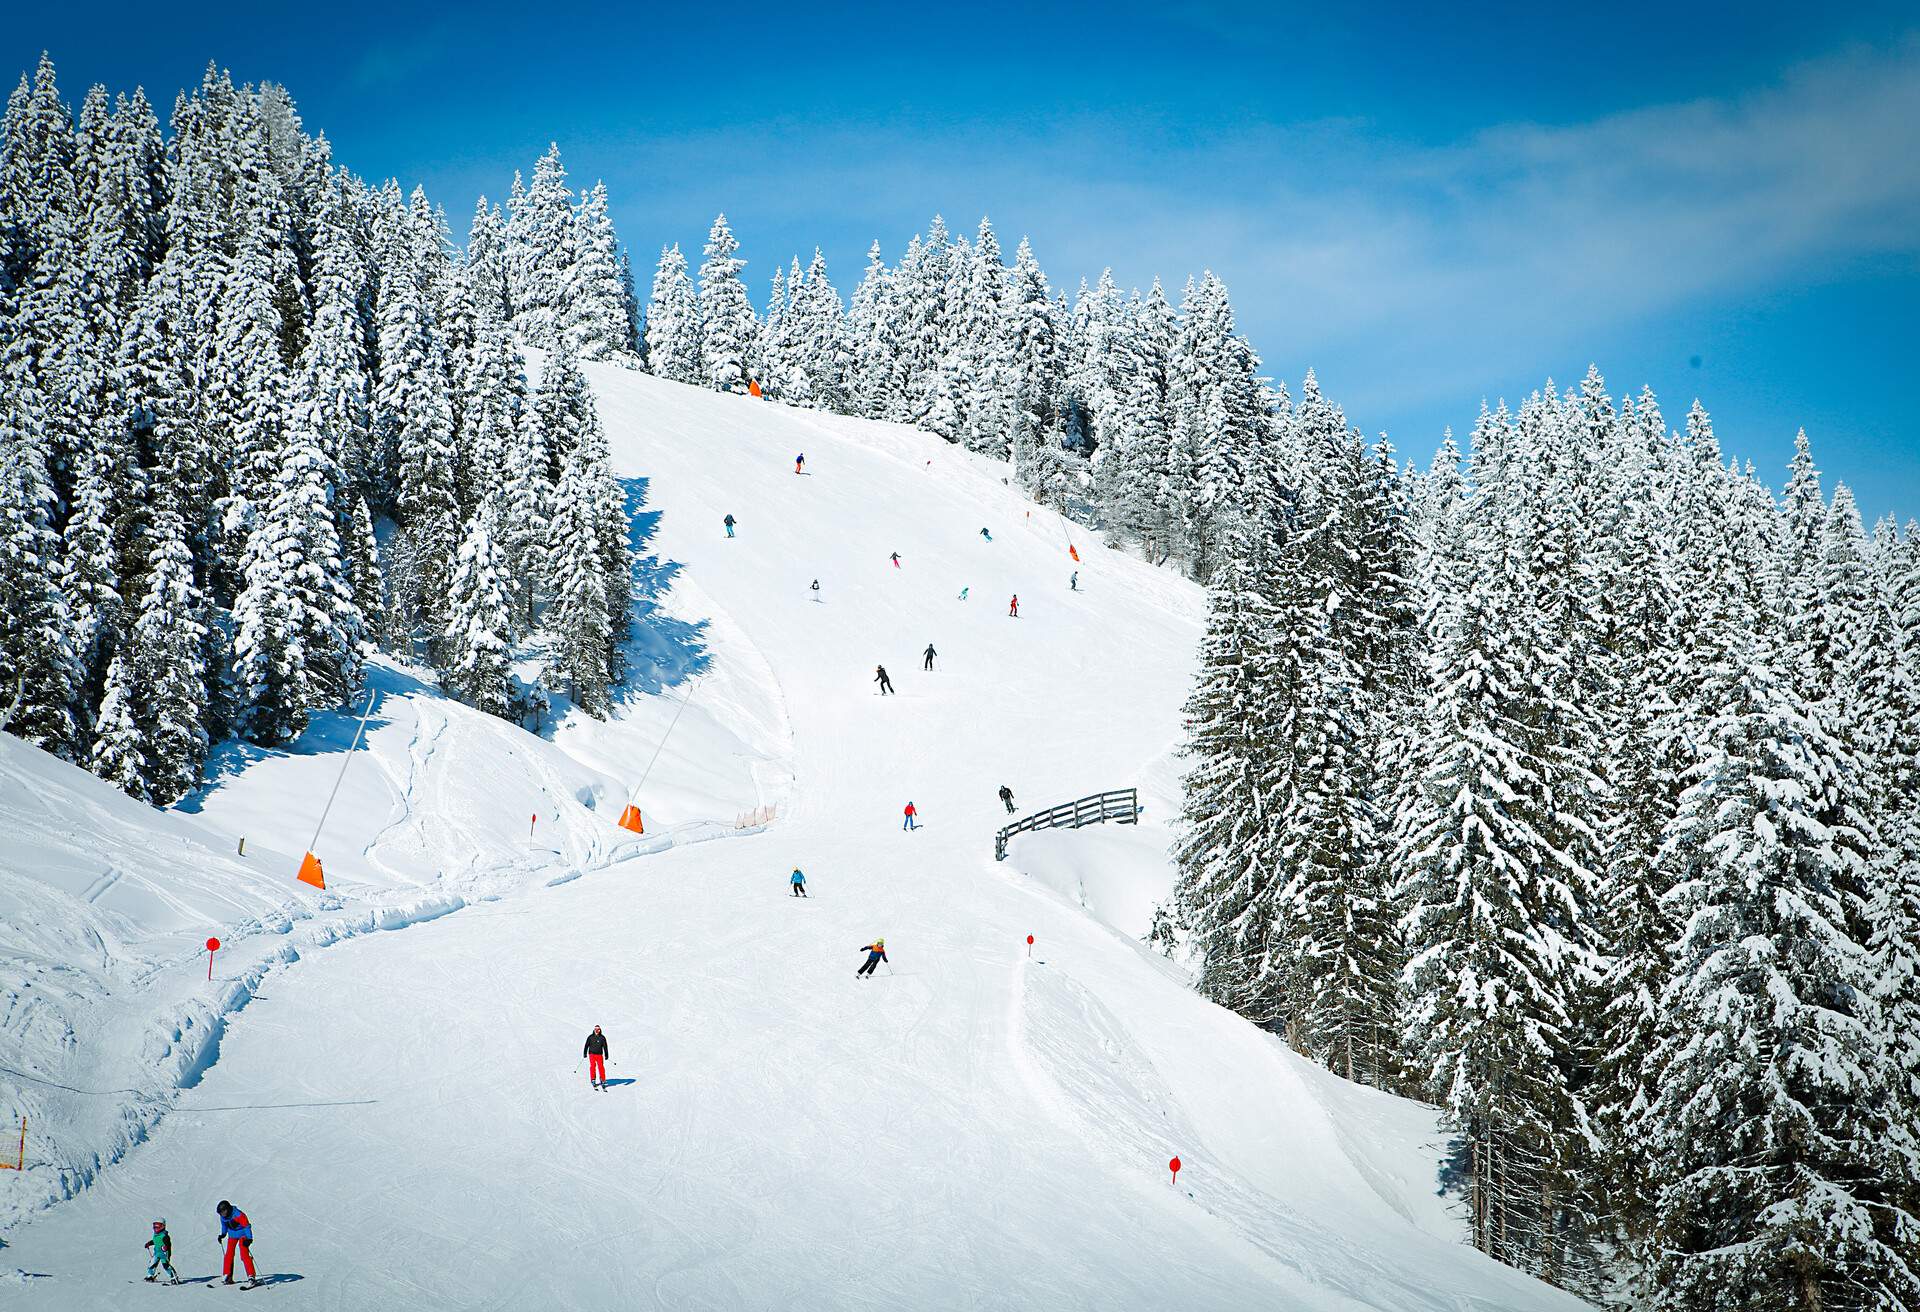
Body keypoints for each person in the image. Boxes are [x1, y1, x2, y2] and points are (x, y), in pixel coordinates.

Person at [215, 1201, 256, 1286]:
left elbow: (246, 1226)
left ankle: (251, 1276)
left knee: (244, 1254)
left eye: (223, 1212)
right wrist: (223, 1234)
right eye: (220, 1213)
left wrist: (249, 1239)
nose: (222, 1214)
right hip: (232, 1235)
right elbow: (224, 1225)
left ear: (227, 1209)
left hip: (243, 1235)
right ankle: (227, 1275)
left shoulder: (238, 1214)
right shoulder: (223, 1217)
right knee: (229, 1254)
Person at [145, 1219, 178, 1284]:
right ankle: (150, 1276)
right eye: (154, 1226)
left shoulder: (165, 1236)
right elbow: (155, 1241)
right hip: (157, 1253)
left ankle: (174, 1278)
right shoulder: (156, 1235)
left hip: (164, 1254)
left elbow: (167, 1244)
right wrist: (149, 1243)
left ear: (163, 1226)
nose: (156, 1228)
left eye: (158, 1226)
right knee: (152, 1264)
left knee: (166, 1266)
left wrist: (165, 1247)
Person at [583, 1025, 610, 1091]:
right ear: (594, 1030)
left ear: (600, 1030)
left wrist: (606, 1054)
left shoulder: (602, 1038)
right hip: (591, 1054)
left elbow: (605, 1047)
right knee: (592, 1066)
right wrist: (585, 1053)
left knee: (601, 1067)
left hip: (599, 1054)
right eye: (596, 1029)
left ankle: (602, 1080)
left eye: (598, 1029)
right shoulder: (590, 1037)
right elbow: (586, 1045)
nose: (597, 1031)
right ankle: (593, 1079)